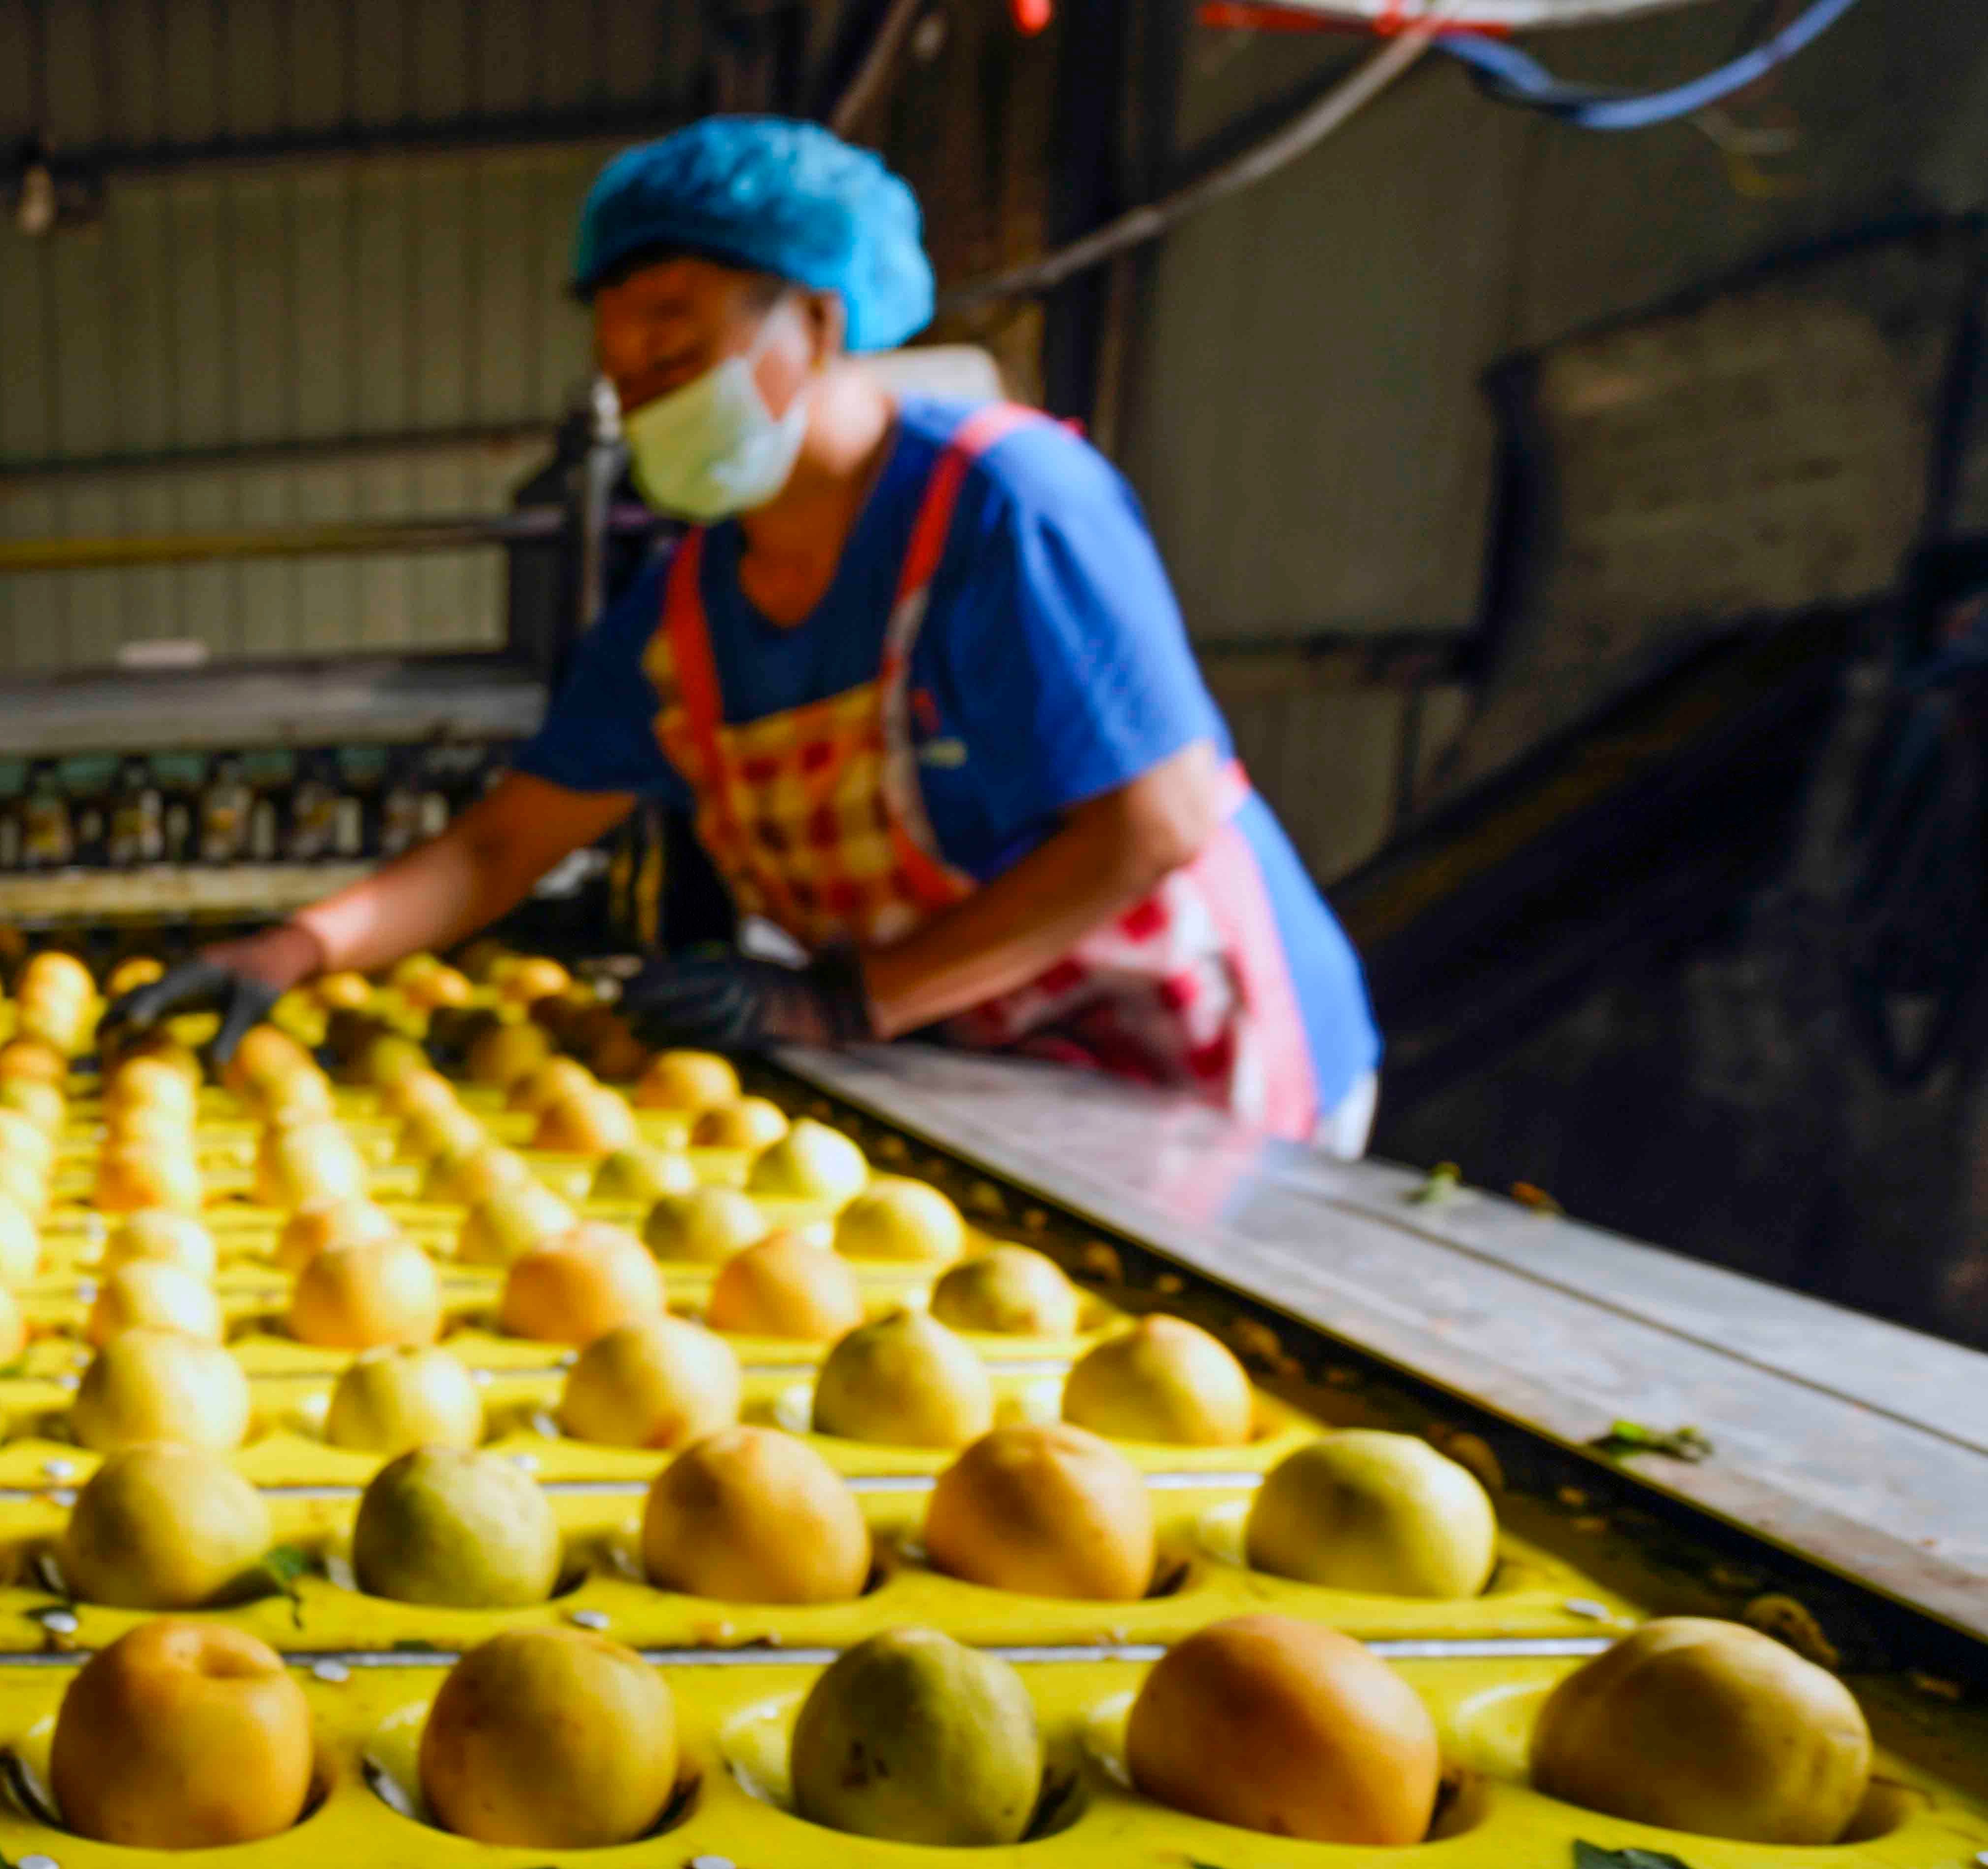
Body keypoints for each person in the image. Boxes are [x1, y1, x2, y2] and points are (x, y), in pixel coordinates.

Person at [114, 116, 1380, 1153]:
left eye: (679, 343)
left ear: (818, 324)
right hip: (977, 1066)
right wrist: (291, 949)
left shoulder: (1002, 510)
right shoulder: (680, 618)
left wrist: (845, 1000)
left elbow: (1149, 825)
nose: (646, 388)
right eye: (628, 369)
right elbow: (502, 845)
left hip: (1201, 1066)